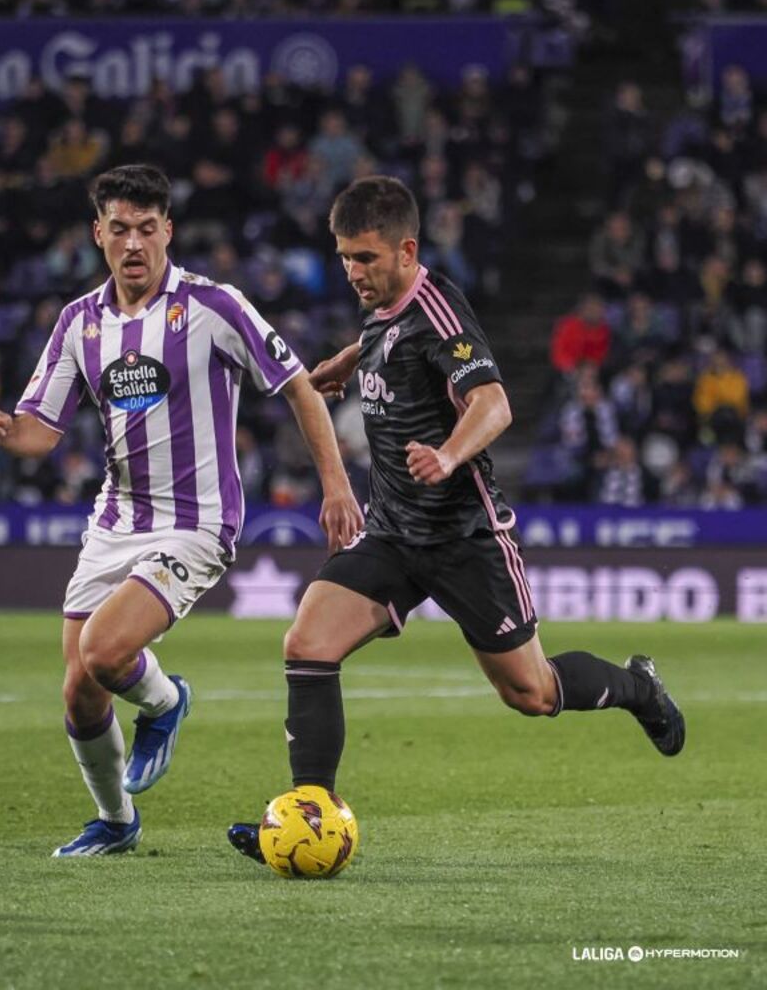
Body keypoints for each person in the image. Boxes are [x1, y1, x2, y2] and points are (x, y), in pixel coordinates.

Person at [226, 177, 685, 864]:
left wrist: (446, 454)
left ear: (407, 251)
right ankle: (308, 818)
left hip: (465, 537)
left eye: (367, 259)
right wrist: (352, 359)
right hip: (391, 532)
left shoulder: (440, 311)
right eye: (345, 257)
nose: (354, 272)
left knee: (532, 693)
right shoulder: (385, 305)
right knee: (307, 644)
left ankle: (638, 687)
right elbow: (391, 339)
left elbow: (495, 404)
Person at [0, 165, 362, 857]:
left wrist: (336, 484)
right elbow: (40, 431)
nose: (134, 244)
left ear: (168, 231)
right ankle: (116, 821)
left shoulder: (214, 306)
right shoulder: (78, 323)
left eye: (148, 229)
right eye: (119, 229)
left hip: (197, 521)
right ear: (99, 234)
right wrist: (5, 431)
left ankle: (166, 701)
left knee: (105, 650)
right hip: (116, 521)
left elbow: (298, 385)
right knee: (79, 692)